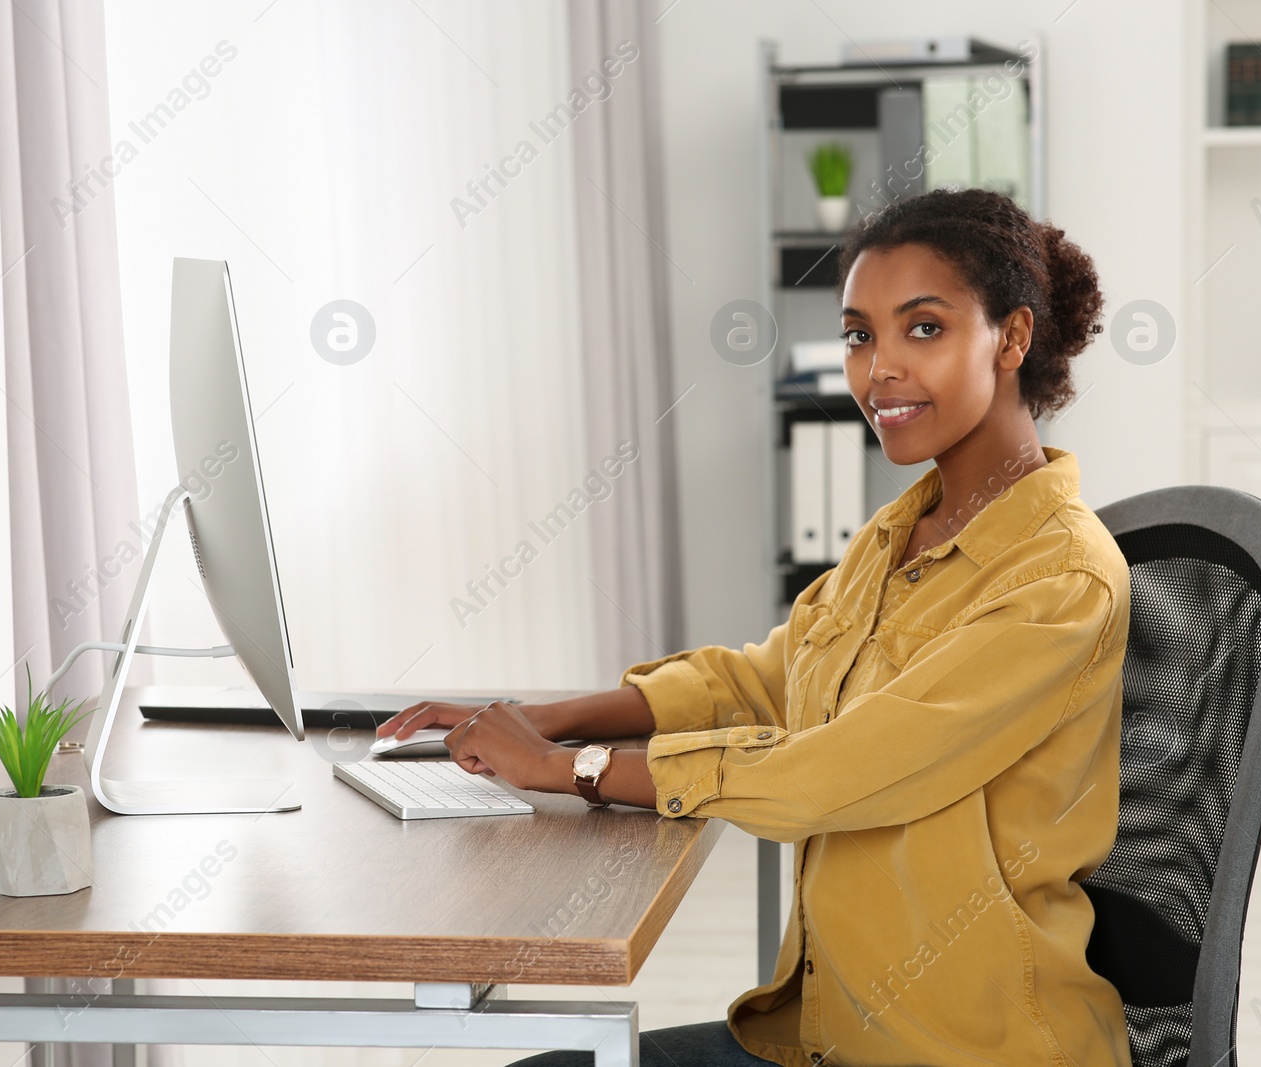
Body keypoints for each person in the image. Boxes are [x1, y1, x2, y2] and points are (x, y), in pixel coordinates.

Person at [377, 187, 1133, 1067]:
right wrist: (545, 718)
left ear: (1012, 337)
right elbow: (764, 679)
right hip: (822, 1034)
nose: (879, 367)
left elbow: (839, 770)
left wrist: (567, 771)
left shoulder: (1061, 578)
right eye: (859, 334)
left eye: (922, 328)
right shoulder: (902, 535)